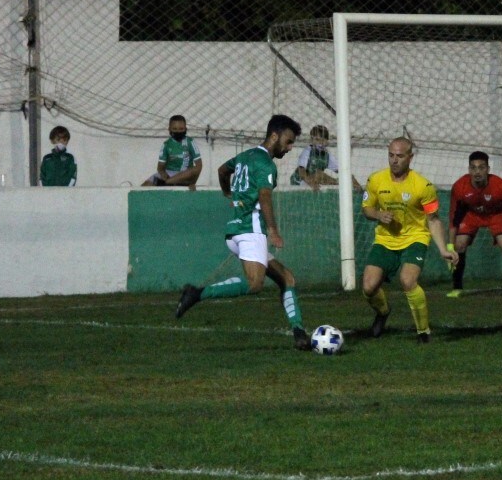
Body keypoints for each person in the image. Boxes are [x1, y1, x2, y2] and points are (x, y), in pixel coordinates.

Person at [174, 114, 311, 350]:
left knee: (287, 278)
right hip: (251, 231)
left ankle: (299, 332)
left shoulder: (246, 156)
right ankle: (197, 293)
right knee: (254, 284)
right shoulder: (266, 164)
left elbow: (221, 170)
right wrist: (274, 230)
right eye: (288, 141)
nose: (289, 148)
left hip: (236, 231)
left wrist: (228, 193)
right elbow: (265, 196)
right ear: (274, 136)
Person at [361, 138, 458, 343]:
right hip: (385, 240)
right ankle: (383, 312)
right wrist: (378, 215)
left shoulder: (423, 186)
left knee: (408, 280)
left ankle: (423, 332)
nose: (394, 160)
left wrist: (443, 249)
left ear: (410, 157)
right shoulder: (375, 180)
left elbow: (432, 219)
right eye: (391, 155)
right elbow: (366, 209)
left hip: (415, 238)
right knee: (368, 287)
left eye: (400, 156)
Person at [447, 150, 502, 297]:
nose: (477, 172)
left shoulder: (500, 186)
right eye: (474, 168)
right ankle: (457, 287)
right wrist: (450, 246)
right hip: (472, 215)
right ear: (469, 169)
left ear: (488, 169)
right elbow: (453, 217)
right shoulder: (459, 187)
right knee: (460, 244)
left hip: (496, 214)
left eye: (481, 167)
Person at [290, 124, 361, 191]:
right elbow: (301, 169)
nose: (320, 142)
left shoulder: (327, 155)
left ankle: (344, 183)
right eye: (317, 139)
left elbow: (341, 170)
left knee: (348, 176)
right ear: (311, 140)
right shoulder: (307, 151)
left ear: (327, 142)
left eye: (323, 140)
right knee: (319, 174)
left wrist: (350, 177)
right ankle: (340, 182)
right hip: (299, 182)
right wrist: (309, 181)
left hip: (314, 181)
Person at [143, 115, 202, 189]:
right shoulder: (166, 144)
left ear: (186, 129)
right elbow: (160, 168)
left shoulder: (190, 142)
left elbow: (199, 166)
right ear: (169, 129)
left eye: (181, 129)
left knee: (194, 169)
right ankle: (169, 183)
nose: (178, 131)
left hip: (185, 174)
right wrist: (164, 176)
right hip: (169, 174)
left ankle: (166, 183)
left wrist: (193, 182)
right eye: (174, 129)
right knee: (145, 186)